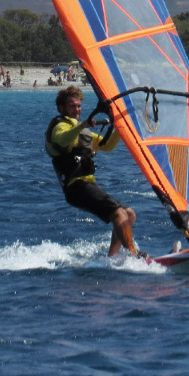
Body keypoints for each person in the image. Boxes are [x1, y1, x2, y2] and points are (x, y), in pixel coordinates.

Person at [45, 85, 140, 258]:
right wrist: (81, 126)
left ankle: (112, 259)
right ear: (62, 108)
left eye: (79, 106)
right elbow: (62, 140)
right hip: (76, 187)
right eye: (73, 106)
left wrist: (122, 125)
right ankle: (134, 256)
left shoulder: (83, 132)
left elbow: (107, 145)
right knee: (118, 213)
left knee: (129, 214)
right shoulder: (60, 126)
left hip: (87, 184)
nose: (77, 109)